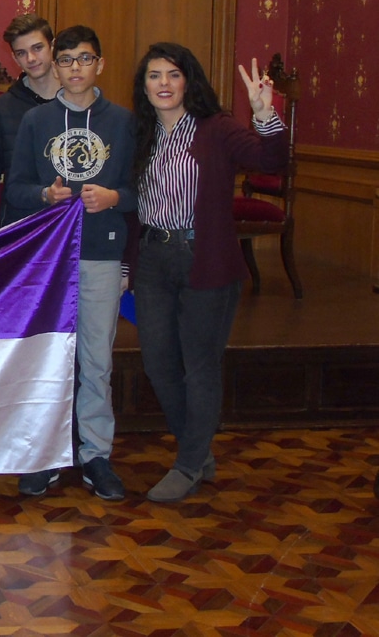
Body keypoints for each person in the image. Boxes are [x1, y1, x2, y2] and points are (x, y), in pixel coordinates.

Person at [131, 44, 287, 502]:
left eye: (173, 74)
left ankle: (187, 464)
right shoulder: (140, 132)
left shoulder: (216, 127)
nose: (163, 83)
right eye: (154, 75)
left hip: (206, 257)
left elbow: (272, 161)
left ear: (189, 81)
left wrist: (264, 114)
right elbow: (128, 204)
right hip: (152, 258)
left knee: (199, 365)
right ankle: (196, 450)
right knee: (158, 363)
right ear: (144, 86)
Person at [6, 25, 136, 501]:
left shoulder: (122, 122)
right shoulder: (36, 121)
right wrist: (45, 194)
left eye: (84, 58)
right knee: (47, 360)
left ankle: (96, 454)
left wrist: (113, 197)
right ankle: (45, 454)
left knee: (96, 361)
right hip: (49, 260)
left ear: (100, 64)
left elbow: (141, 192)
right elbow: (15, 189)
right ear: (55, 67)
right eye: (66, 59)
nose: (75, 67)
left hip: (101, 254)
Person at [0, 14, 60, 238]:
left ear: (52, 46)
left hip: (69, 222)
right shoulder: (3, 107)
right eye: (21, 53)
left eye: (37, 48)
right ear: (14, 58)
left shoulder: (77, 100)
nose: (31, 58)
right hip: (20, 226)